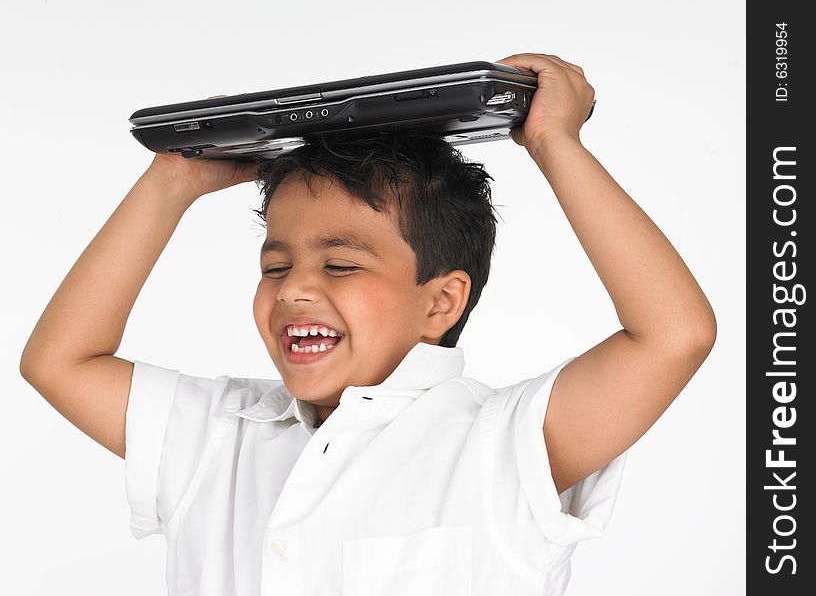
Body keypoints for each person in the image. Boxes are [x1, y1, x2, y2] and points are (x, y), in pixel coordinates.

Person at [19, 53, 716, 595]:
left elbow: (673, 334)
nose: (295, 290)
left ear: (440, 302)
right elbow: (60, 362)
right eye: (275, 265)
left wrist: (554, 143)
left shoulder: (505, 444)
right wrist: (168, 184)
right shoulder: (216, 436)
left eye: (342, 266)